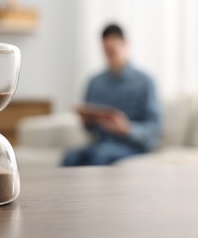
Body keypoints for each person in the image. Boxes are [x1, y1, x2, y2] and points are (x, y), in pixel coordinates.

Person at [62, 24, 161, 166]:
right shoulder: (94, 82)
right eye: (106, 51)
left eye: (113, 51)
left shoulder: (145, 82)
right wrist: (88, 120)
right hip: (101, 143)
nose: (110, 55)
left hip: (131, 146)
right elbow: (89, 129)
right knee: (70, 157)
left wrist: (127, 128)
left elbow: (153, 130)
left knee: (100, 155)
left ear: (125, 44)